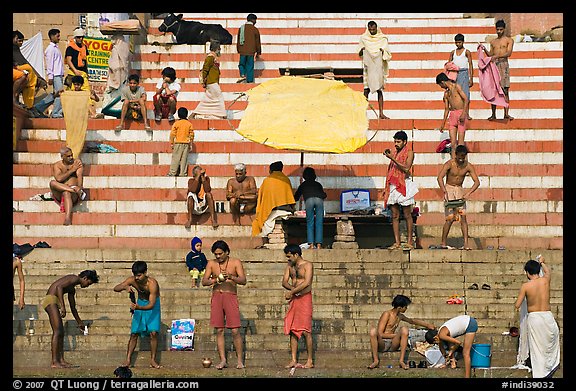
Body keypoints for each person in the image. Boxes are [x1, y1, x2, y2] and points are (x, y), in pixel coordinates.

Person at [201, 240, 247, 369]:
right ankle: (223, 360)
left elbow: (243, 280)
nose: (218, 256)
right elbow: (204, 281)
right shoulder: (211, 263)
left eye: (220, 254)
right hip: (217, 296)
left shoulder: (235, 262)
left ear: (227, 252)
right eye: (216, 254)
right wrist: (216, 279)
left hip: (230, 296)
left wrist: (231, 277)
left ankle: (239, 361)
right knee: (219, 330)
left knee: (234, 330)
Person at [514, 256, 560, 378]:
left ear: (528, 273)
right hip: (547, 316)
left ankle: (541, 374)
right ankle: (551, 367)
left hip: (535, 318)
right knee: (549, 344)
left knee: (537, 348)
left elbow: (517, 305)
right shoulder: (545, 281)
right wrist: (542, 262)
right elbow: (548, 272)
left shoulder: (526, 286)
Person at [43, 270, 99, 368]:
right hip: (50, 300)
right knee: (57, 331)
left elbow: (73, 308)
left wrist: (79, 322)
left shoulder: (72, 289)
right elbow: (59, 287)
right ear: (85, 278)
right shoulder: (74, 278)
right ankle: (54, 362)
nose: (87, 286)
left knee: (61, 332)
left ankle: (61, 360)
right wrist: (63, 306)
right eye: (88, 283)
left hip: (54, 302)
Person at [113, 260, 162, 369]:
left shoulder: (152, 284)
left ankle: (153, 360)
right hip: (140, 303)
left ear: (145, 273)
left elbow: (152, 304)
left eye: (139, 275)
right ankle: (128, 360)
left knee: (153, 333)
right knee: (134, 333)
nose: (137, 278)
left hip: (152, 306)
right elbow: (115, 288)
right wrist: (124, 287)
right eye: (135, 275)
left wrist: (139, 308)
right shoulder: (132, 280)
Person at [367, 294, 435, 370]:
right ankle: (376, 360)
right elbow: (380, 334)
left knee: (404, 329)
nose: (406, 308)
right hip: (382, 343)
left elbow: (412, 321)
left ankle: (401, 361)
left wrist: (427, 325)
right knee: (373, 331)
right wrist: (395, 335)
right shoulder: (387, 314)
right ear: (399, 307)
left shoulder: (400, 316)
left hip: (393, 344)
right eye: (405, 307)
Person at [436, 145, 480, 250]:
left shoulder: (468, 166)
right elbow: (440, 177)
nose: (461, 159)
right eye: (459, 156)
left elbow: (477, 182)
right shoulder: (449, 164)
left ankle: (466, 244)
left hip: (460, 190)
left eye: (463, 157)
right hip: (449, 189)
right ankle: (443, 243)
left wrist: (468, 193)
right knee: (450, 218)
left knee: (463, 218)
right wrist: (444, 191)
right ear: (455, 155)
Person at [383, 131, 418, 250]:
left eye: (398, 142)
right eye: (395, 142)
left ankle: (409, 242)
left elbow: (406, 168)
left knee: (408, 214)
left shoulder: (410, 153)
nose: (396, 144)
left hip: (405, 184)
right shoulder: (394, 153)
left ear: (405, 142)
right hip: (393, 185)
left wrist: (392, 158)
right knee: (395, 215)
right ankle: (397, 242)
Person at [282, 244, 314, 369]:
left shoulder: (308, 265)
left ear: (296, 255)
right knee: (292, 330)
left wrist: (292, 292)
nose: (288, 259)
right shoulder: (290, 266)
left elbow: (307, 282)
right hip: (295, 299)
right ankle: (293, 359)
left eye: (289, 256)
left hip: (305, 299)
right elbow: (284, 281)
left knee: (306, 331)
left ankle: (310, 360)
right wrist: (292, 290)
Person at [481, 19, 514, 121]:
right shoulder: (493, 42)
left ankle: (506, 113)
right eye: (497, 30)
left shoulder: (509, 40)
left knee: (505, 89)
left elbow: (508, 53)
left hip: (503, 65)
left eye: (501, 29)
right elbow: (490, 55)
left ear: (504, 29)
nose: (499, 31)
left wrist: (497, 56)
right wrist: (484, 49)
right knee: (493, 90)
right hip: (494, 66)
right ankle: (493, 114)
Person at [252, 161, 296, 237]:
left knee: (261, 221)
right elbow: (291, 198)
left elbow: (262, 198)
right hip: (286, 210)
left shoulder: (267, 180)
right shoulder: (286, 179)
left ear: (270, 170)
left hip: (271, 210)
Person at [358, 21, 391, 119]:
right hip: (368, 66)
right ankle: (363, 114)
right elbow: (359, 53)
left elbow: (387, 53)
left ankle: (381, 113)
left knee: (379, 90)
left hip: (378, 66)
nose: (372, 31)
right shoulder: (363, 38)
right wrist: (362, 49)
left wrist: (382, 51)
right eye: (370, 29)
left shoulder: (382, 38)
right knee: (366, 90)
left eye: (373, 29)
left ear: (377, 28)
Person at [65, 28, 99, 117]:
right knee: (73, 94)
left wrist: (87, 73)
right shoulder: (70, 47)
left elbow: (85, 61)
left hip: (83, 74)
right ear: (75, 37)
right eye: (79, 37)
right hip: (73, 74)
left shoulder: (84, 47)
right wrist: (75, 71)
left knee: (87, 93)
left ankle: (92, 113)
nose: (80, 39)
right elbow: (69, 60)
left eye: (82, 37)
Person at [436, 72, 470, 159]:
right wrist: (442, 124)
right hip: (452, 116)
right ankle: (453, 163)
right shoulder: (446, 94)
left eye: (441, 85)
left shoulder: (457, 87)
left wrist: (463, 113)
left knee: (461, 143)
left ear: (443, 82)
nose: (442, 87)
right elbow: (447, 109)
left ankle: (463, 164)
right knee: (453, 143)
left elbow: (466, 100)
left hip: (460, 113)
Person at [33, 28, 64, 118]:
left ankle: (38, 108)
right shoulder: (50, 49)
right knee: (60, 94)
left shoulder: (56, 48)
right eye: (57, 36)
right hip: (55, 75)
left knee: (55, 95)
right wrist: (50, 76)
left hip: (58, 75)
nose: (59, 38)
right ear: (52, 36)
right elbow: (50, 64)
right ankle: (56, 113)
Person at [49, 146, 85, 226]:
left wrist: (79, 188)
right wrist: (72, 170)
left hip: (73, 194)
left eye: (71, 155)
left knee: (66, 193)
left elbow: (80, 177)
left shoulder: (77, 163)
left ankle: (68, 218)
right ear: (62, 157)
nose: (71, 157)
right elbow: (59, 179)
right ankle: (71, 190)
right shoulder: (57, 165)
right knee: (52, 183)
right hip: (61, 191)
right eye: (68, 156)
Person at [13, 30, 47, 112]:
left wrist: (38, 76)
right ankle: (14, 97)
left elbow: (24, 62)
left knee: (27, 79)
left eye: (22, 41)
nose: (21, 43)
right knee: (23, 75)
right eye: (19, 40)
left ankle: (23, 103)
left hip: (16, 70)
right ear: (15, 38)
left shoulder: (16, 49)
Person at [191, 40, 226, 119]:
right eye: (219, 49)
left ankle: (193, 114)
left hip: (213, 81)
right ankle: (223, 115)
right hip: (211, 82)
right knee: (219, 97)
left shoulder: (213, 57)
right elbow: (205, 69)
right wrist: (203, 80)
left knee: (206, 99)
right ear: (215, 49)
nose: (219, 50)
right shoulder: (210, 57)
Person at [294, 166, 327, 249]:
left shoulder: (303, 185)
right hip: (319, 200)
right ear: (314, 176)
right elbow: (323, 195)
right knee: (319, 222)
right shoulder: (318, 184)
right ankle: (319, 245)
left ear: (304, 176)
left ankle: (311, 245)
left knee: (310, 222)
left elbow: (296, 197)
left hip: (309, 201)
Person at [449, 33, 473, 121]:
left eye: (459, 42)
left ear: (463, 42)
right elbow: (449, 64)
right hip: (455, 73)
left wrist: (471, 78)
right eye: (456, 42)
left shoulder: (467, 52)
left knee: (465, 93)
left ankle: (467, 113)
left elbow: (470, 64)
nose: (458, 44)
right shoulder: (452, 52)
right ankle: (455, 111)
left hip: (464, 73)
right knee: (455, 93)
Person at [168, 107, 194, 176]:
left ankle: (172, 172)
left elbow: (172, 134)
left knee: (176, 159)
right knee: (184, 159)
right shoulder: (189, 124)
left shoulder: (176, 124)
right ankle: (183, 173)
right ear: (186, 115)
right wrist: (191, 145)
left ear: (179, 115)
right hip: (186, 144)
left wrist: (171, 143)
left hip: (177, 143)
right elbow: (191, 135)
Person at [236, 13, 261, 83]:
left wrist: (238, 49)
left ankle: (242, 74)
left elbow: (238, 40)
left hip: (242, 50)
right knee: (250, 66)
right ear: (253, 20)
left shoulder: (241, 28)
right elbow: (257, 42)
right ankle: (250, 81)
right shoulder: (255, 29)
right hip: (251, 51)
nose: (256, 22)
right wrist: (258, 52)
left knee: (241, 64)